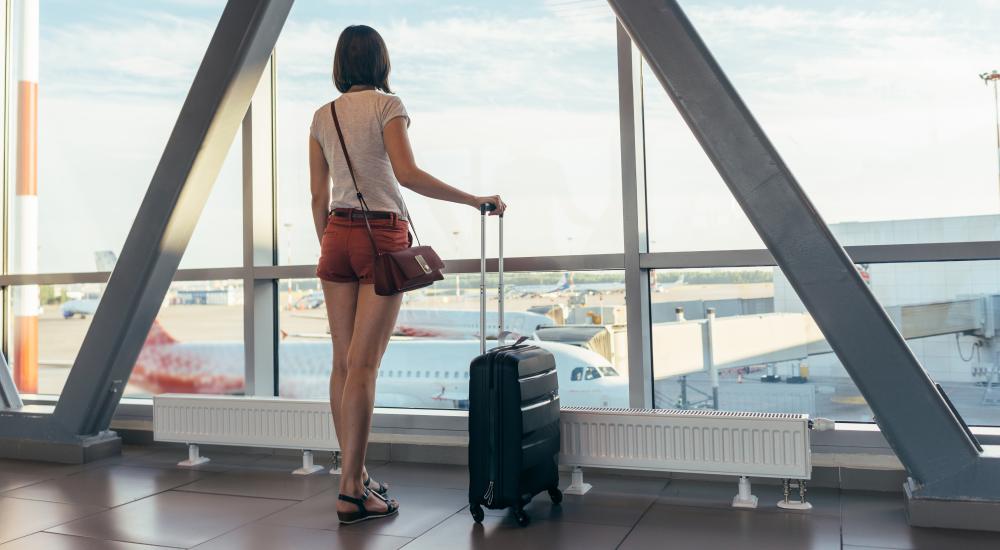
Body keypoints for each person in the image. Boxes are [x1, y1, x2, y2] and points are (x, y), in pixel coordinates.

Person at [309, 24, 506, 525]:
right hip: (381, 235)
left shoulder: (321, 116)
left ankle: (355, 477)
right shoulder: (387, 107)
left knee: (342, 364)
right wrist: (473, 198)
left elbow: (317, 196)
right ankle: (352, 492)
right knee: (365, 366)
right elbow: (408, 174)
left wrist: (331, 244)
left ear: (339, 65)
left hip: (335, 235)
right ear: (381, 62)